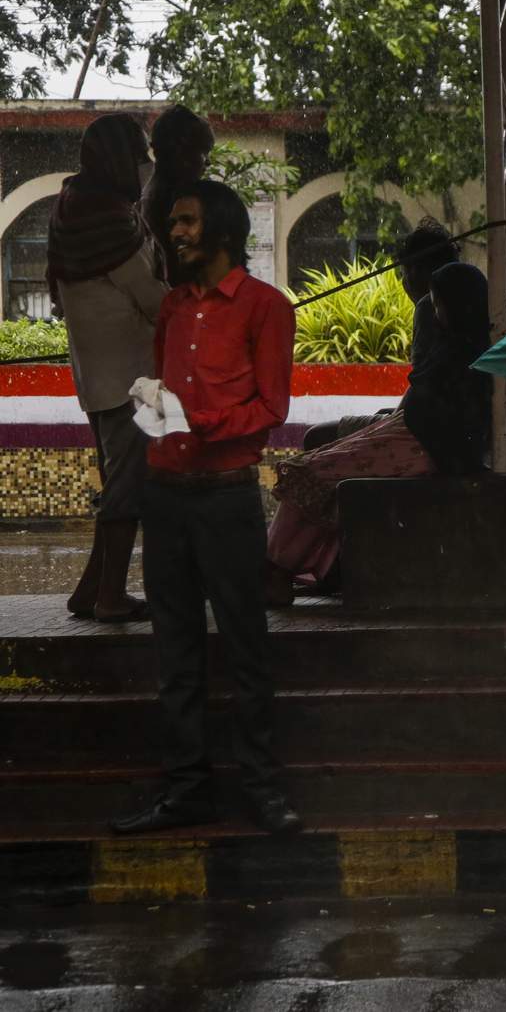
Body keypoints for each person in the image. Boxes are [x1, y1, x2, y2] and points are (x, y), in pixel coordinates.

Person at [110, 179, 302, 836]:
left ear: (221, 228)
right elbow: (163, 401)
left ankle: (262, 789)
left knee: (246, 647)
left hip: (225, 496)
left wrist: (196, 421)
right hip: (166, 495)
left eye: (187, 221)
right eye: (173, 223)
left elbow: (270, 409)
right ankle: (186, 788)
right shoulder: (172, 308)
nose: (176, 232)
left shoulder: (266, 307)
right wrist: (154, 410)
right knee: (176, 651)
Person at [266, 262, 491, 603]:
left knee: (306, 471)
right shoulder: (464, 346)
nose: (435, 310)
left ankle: (278, 567)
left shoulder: (459, 356)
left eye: (439, 302)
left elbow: (437, 421)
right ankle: (293, 567)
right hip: (408, 436)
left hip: (412, 444)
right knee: (315, 465)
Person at [46, 113, 167, 623]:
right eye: (140, 152)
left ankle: (92, 589)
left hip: (97, 380)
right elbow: (155, 302)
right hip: (136, 379)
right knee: (133, 485)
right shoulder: (114, 221)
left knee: (124, 478)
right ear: (119, 157)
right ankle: (112, 596)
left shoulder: (71, 209)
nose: (146, 164)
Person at [299, 219, 461, 452]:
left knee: (316, 438)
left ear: (416, 271)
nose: (404, 282)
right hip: (444, 429)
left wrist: (395, 418)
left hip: (424, 435)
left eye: (404, 272)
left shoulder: (429, 307)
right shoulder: (466, 303)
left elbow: (423, 387)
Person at [141, 105, 214, 276]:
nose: (208, 162)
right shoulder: (171, 201)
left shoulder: (151, 193)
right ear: (182, 152)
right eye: (204, 152)